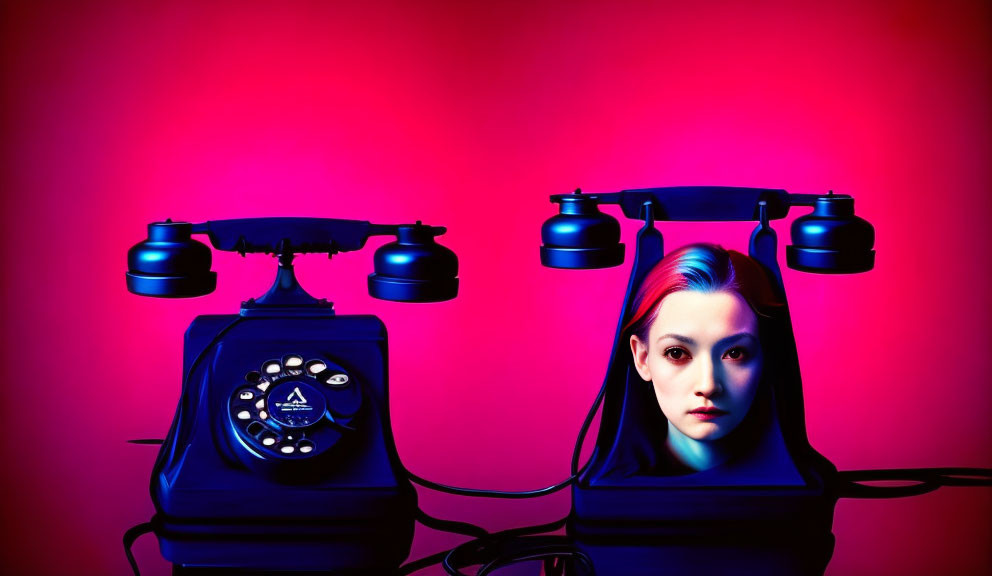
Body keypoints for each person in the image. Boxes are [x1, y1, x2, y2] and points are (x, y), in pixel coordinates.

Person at [624, 243, 788, 476]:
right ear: (642, 358)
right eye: (677, 353)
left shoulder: (805, 483)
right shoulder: (610, 487)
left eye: (735, 353)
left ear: (765, 356)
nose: (708, 386)